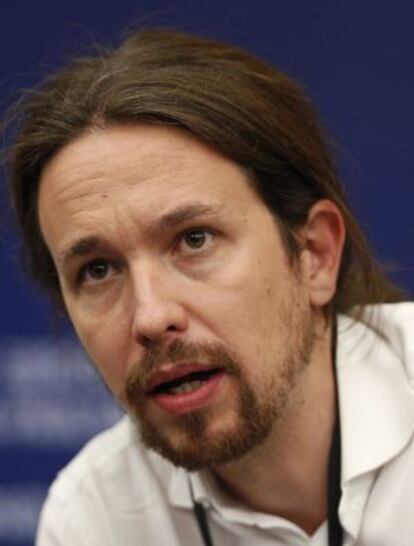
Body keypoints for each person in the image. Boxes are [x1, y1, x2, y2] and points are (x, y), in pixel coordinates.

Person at [5, 28, 414, 546]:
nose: (150, 317)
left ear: (314, 255)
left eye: (194, 240)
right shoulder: (95, 517)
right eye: (98, 270)